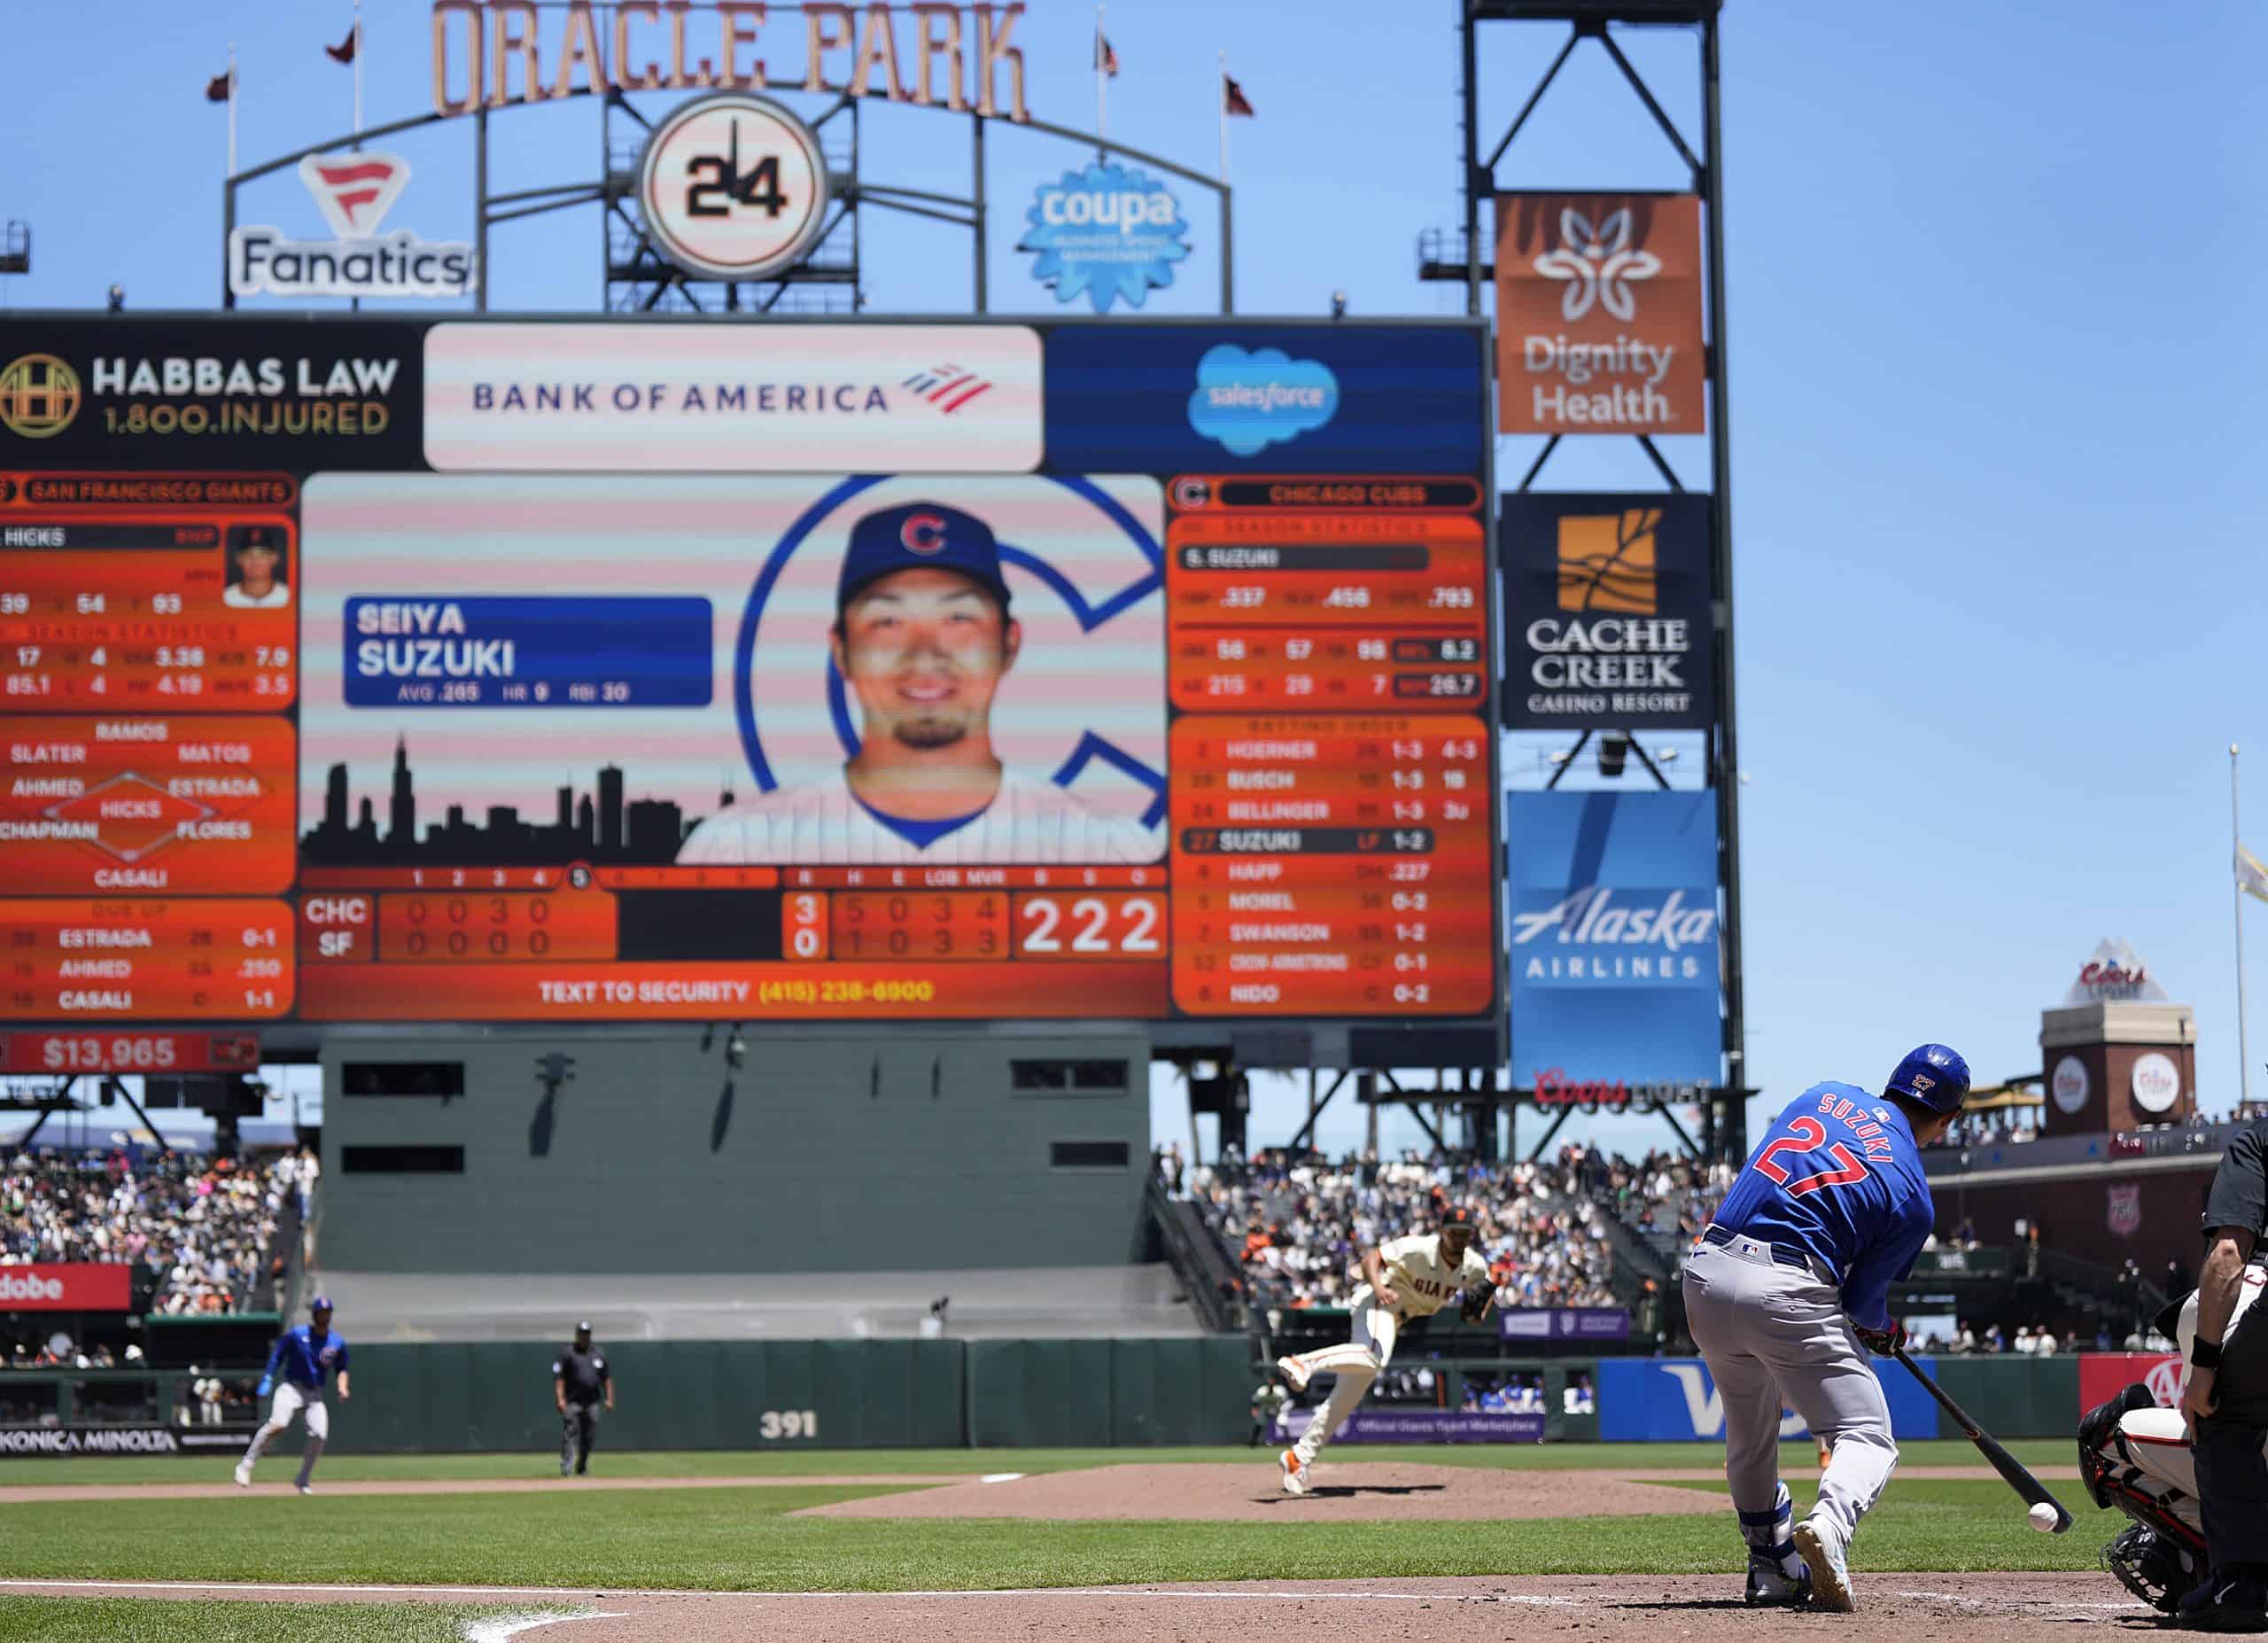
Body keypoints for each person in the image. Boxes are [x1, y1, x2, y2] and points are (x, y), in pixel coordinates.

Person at [676, 502, 1161, 866]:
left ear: (1010, 645)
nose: (926, 651)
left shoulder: (1112, 850)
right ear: (840, 652)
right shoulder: (735, 851)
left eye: (959, 618)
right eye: (888, 622)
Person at [1682, 1043, 1967, 1613]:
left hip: (1706, 1276)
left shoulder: (1822, 1094)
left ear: (1894, 1083)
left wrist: (1866, 1319)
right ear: (1947, 1120)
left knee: (1749, 1436)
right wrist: (1883, 1329)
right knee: (1866, 1433)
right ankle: (1829, 1528)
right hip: (1786, 1287)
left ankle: (1771, 1566)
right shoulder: (1914, 1194)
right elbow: (1863, 1306)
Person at [1270, 1203, 1494, 1496]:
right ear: (1442, 1232)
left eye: (1465, 1234)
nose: (1459, 1239)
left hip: (1397, 1317)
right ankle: (1302, 1363)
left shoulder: (1473, 1266)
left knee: (1346, 1398)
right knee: (1374, 1356)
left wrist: (1480, 1308)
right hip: (1379, 1300)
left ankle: (1297, 1458)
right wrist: (1378, 1287)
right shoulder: (1418, 1248)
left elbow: (1480, 1299)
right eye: (1454, 1232)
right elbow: (1372, 1258)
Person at [235, 1294, 349, 1494]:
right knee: (278, 1425)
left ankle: (303, 1479)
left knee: (320, 1436)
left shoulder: (336, 1341)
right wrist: (268, 1378)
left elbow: (342, 1368)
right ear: (314, 1314)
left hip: (314, 1394)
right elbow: (278, 1354)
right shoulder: (297, 1334)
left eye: (327, 1312)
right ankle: (246, 1464)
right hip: (291, 1389)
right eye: (321, 1312)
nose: (324, 1315)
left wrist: (342, 1387)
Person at [553, 1320, 613, 1476]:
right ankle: (567, 1468)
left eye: (587, 1333)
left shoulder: (598, 1353)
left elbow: (606, 1378)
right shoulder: (568, 1353)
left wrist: (609, 1398)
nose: (584, 1336)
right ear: (577, 1334)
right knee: (570, 1434)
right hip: (573, 1401)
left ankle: (582, 1467)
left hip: (592, 1402)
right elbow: (560, 1378)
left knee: (589, 1436)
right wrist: (560, 1398)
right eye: (582, 1333)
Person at [221, 526, 291, 609]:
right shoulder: (227, 597)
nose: (255, 562)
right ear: (238, 559)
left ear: (274, 558)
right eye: (248, 555)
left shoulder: (287, 596)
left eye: (263, 555)